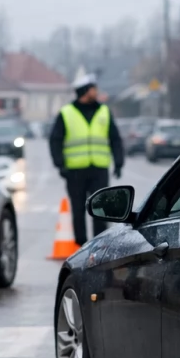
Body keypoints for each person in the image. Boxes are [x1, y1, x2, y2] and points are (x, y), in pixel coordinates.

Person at [49, 75, 125, 245]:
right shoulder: (66, 113)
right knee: (78, 209)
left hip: (99, 169)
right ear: (85, 91)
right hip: (74, 171)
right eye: (93, 89)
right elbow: (55, 140)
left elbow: (115, 139)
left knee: (100, 208)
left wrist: (119, 162)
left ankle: (100, 244)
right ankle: (81, 245)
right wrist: (60, 164)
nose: (96, 92)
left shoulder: (104, 111)